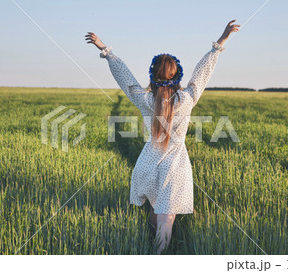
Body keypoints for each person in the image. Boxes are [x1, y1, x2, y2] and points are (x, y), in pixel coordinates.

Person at [85, 20, 240, 254]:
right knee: (167, 216)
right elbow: (202, 74)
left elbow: (126, 79)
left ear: (153, 75)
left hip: (149, 161)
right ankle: (159, 257)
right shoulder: (186, 99)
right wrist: (220, 41)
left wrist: (105, 50)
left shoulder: (146, 100)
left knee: (157, 210)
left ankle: (149, 245)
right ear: (177, 76)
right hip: (175, 163)